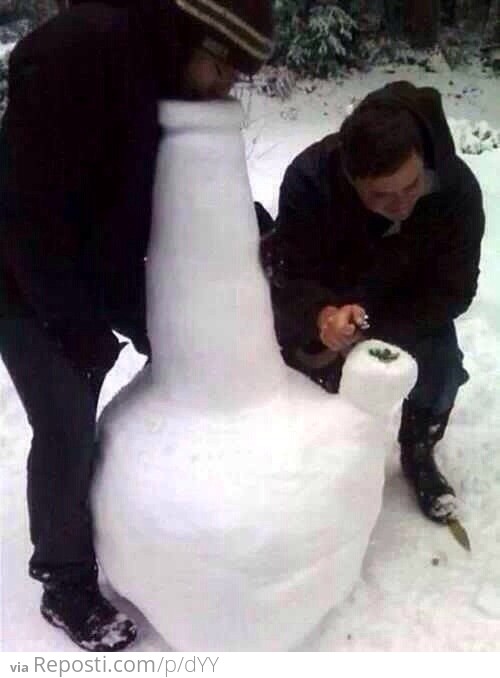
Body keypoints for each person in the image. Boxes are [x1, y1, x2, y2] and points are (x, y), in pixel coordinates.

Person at [0, 0, 274, 651]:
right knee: (66, 417)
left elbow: (158, 186)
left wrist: (248, 229)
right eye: (225, 71)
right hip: (17, 274)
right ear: (201, 36)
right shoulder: (79, 54)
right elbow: (24, 214)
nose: (222, 89)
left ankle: (117, 523)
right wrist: (75, 326)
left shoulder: (157, 73)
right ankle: (64, 579)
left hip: (91, 265)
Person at [258, 81, 485, 527]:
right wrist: (320, 315)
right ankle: (318, 479)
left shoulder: (457, 191)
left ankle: (418, 449)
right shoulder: (310, 179)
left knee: (440, 370)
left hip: (407, 305)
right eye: (380, 196)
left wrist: (375, 328)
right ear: (349, 176)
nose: (400, 204)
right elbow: (289, 271)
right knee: (304, 388)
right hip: (330, 298)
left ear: (423, 157)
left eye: (411, 186)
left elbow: (454, 289)